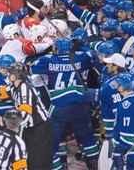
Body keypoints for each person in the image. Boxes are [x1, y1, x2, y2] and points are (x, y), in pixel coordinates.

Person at [30, 37, 99, 169]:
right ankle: (94, 165)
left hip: (59, 106)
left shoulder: (47, 60)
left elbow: (32, 68)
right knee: (86, 136)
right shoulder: (80, 58)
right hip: (80, 105)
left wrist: (47, 51)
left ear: (57, 48)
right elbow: (92, 55)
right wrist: (80, 45)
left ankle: (61, 165)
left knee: (53, 140)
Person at [0, 62, 53, 169]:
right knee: (29, 161)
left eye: (9, 73)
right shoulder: (15, 87)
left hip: (40, 129)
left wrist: (3, 121)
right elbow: (0, 91)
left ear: (14, 76)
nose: (7, 75)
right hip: (30, 128)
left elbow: (25, 115)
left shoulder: (24, 89)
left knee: (39, 164)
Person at [112, 72, 134, 170]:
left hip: (131, 152)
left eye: (119, 84)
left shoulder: (126, 105)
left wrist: (121, 148)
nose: (117, 87)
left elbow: (129, 133)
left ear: (124, 86)